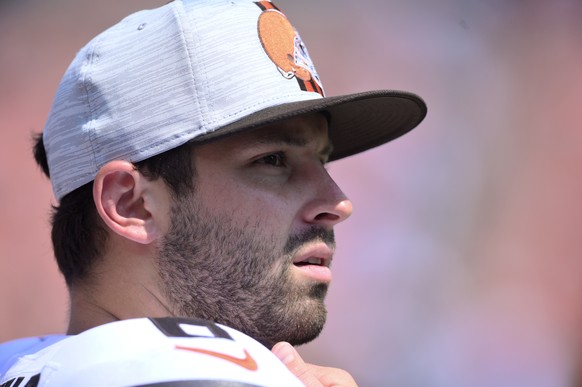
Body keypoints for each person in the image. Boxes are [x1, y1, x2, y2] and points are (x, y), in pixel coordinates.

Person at [0, 0, 426, 386]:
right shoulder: (202, 375)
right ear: (131, 203)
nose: (338, 203)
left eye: (323, 161)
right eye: (273, 160)